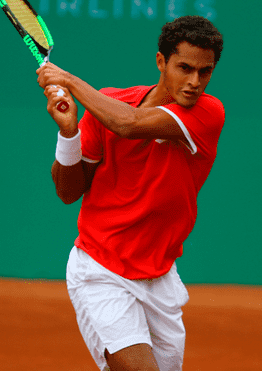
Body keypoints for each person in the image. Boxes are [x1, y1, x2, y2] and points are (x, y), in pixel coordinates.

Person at [36, 15, 224, 371]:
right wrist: (69, 133)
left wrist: (69, 82)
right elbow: (68, 190)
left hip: (160, 276)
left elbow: (129, 124)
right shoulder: (108, 104)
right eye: (184, 67)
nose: (194, 82)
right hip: (100, 269)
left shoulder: (207, 113)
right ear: (160, 61)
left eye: (205, 71)